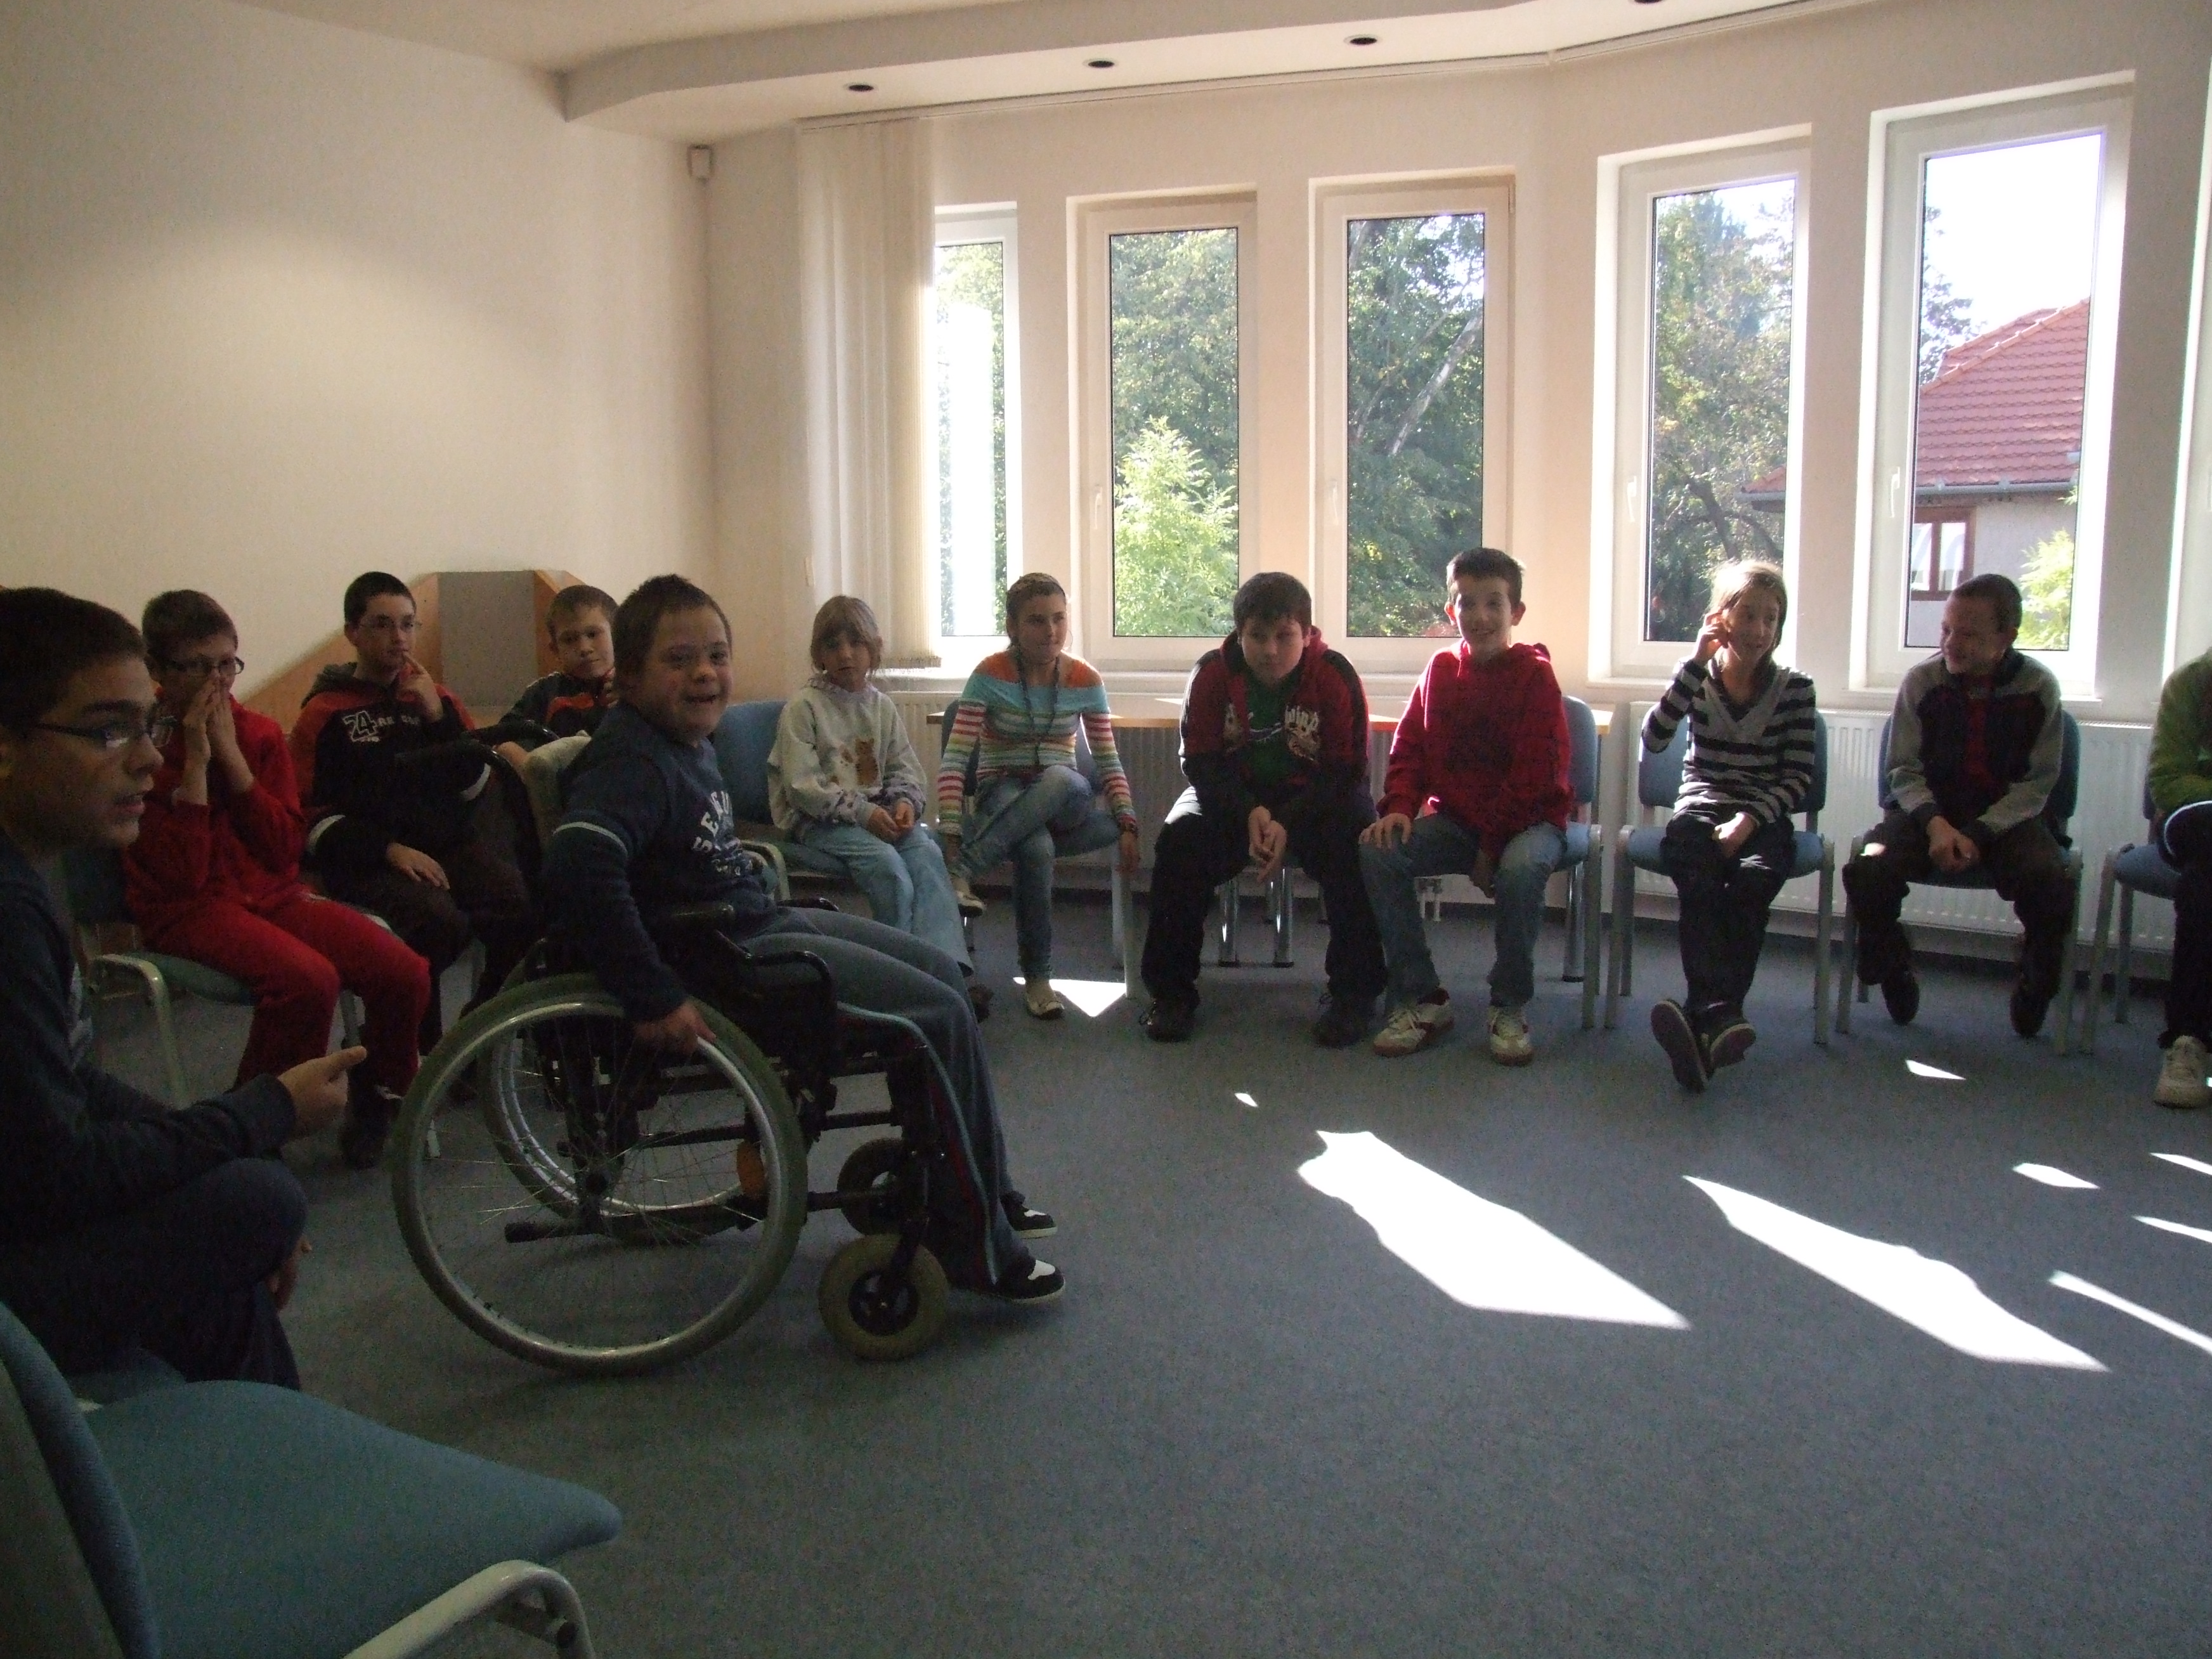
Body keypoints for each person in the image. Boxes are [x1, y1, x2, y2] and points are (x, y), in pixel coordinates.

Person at [541, 575, 1062, 1303]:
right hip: (730, 960)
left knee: (943, 976)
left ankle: (981, 1187)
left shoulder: (679, 742)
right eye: (679, 660)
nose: (704, 674)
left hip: (753, 921)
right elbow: (578, 863)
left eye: (717, 656)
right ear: (628, 677)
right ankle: (977, 1245)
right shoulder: (632, 761)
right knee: (937, 1015)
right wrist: (650, 995)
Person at [0, 588, 360, 1386]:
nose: (144, 758)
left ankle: (258, 1441)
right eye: (108, 731)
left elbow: (70, 1080)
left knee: (242, 1213)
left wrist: (223, 1149)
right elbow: (56, 1177)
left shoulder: (29, 871)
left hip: (263, 900)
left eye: (145, 727)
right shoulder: (9, 911)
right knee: (256, 1207)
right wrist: (264, 1113)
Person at [126, 590, 431, 1167]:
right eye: (199, 667)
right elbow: (183, 878)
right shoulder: (143, 747)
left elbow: (284, 849)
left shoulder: (258, 734)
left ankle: (374, 1090)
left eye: (227, 664)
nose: (219, 682)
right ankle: (247, 1124)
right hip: (185, 909)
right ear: (159, 671)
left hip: (271, 894)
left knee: (404, 970)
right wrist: (197, 764)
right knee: (307, 980)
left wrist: (234, 762)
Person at [290, 571, 535, 1049]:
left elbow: (473, 786)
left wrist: (438, 719)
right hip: (369, 858)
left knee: (519, 909)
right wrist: (388, 850)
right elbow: (309, 817)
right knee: (438, 924)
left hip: (446, 848)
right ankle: (405, 1048)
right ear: (353, 632)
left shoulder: (437, 698)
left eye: (407, 624)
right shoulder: (325, 713)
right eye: (382, 624)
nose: (398, 638)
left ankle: (473, 1037)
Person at [1139, 573, 1385, 1046]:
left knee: (1357, 845)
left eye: (1284, 636)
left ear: (1307, 634)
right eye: (1257, 636)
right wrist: (1249, 811)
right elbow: (1200, 762)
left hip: (1318, 800)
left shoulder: (1335, 674)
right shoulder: (1212, 673)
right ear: (1239, 634)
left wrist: (1287, 821)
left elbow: (1347, 770)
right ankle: (1171, 994)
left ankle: (1354, 995)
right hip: (1231, 797)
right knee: (1179, 840)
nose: (1271, 650)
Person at [1358, 548, 1571, 1065]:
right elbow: (1410, 747)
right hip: (1460, 822)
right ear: (1451, 610)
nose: (1480, 616)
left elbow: (1533, 779)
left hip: (1530, 824)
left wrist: (1490, 849)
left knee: (1521, 871)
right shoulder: (1440, 670)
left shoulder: (1536, 677)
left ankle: (1508, 1004)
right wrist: (1400, 807)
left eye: (1494, 603)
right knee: (1380, 850)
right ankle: (1423, 996)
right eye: (1467, 603)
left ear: (1516, 612)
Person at [1841, 573, 2073, 1038]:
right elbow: (1902, 771)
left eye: (1968, 634)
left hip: (2009, 821)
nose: (1951, 643)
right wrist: (1936, 826)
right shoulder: (1922, 682)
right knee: (1868, 867)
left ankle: (2035, 977)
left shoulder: (2038, 688)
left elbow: (2038, 783)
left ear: (2006, 637)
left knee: (2051, 879)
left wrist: (1980, 832)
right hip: (1927, 815)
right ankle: (1893, 962)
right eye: (1946, 629)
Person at [1639, 562, 1817, 1091]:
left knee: (1752, 882)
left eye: (1771, 618)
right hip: (1700, 806)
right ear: (1722, 617)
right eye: (1748, 615)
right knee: (1696, 880)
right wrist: (1696, 663)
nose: (1759, 630)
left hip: (1764, 813)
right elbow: (1654, 739)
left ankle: (1705, 1015)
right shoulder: (1697, 677)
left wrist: (1749, 819)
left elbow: (1798, 778)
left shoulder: (1796, 689)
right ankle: (1719, 1021)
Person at [935, 573, 1139, 1020]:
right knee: (1037, 847)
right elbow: (955, 760)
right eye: (1036, 620)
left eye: (1059, 618)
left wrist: (1127, 821)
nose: (1051, 630)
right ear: (1012, 627)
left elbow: (1107, 758)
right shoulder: (989, 675)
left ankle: (964, 868)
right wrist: (950, 827)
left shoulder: (1085, 679)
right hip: (1002, 789)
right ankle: (1039, 979)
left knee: (1062, 778)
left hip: (1066, 795)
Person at [769, 595, 984, 1017]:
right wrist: (864, 814)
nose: (846, 654)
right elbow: (803, 788)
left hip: (874, 816)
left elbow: (906, 769)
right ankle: (894, 980)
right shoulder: (804, 708)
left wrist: (905, 802)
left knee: (926, 854)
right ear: (818, 654)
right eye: (833, 645)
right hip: (818, 820)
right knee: (889, 869)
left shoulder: (881, 706)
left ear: (874, 649)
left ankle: (947, 974)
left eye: (856, 643)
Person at [2146, 649, 2212, 1107]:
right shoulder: (2193, 683)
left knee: (2204, 880)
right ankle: (2189, 1040)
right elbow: (2168, 782)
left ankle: (2191, 1034)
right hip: (2194, 818)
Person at [493, 583, 618, 769]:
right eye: (569, 640)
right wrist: (532, 769)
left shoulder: (636, 685)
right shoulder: (544, 692)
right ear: (555, 650)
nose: (584, 648)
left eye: (593, 634)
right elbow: (503, 738)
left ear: (617, 636)